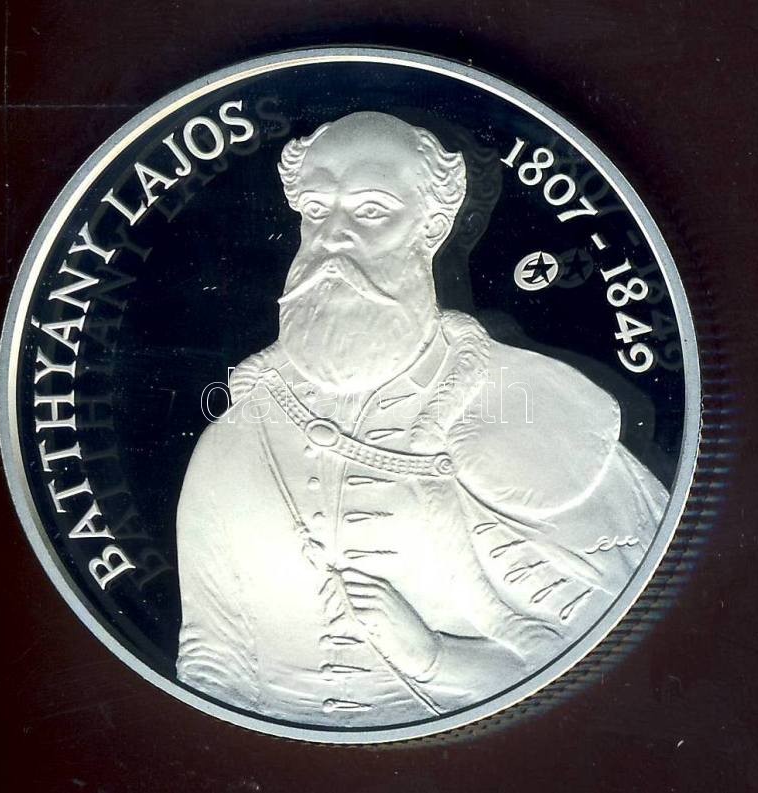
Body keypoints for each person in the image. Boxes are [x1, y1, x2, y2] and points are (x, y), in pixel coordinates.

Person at [175, 111, 668, 726]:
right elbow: (208, 665)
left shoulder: (531, 408)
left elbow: (625, 652)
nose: (334, 238)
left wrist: (436, 659)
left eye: (371, 210)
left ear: (433, 226)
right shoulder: (233, 442)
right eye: (317, 210)